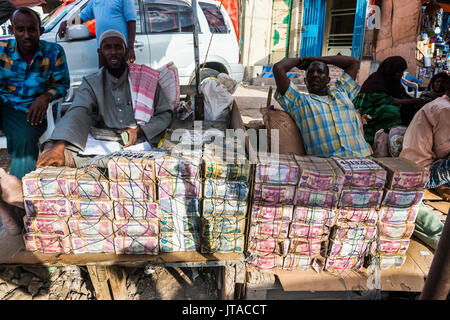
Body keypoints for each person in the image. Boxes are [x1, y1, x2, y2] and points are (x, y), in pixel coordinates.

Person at [35, 29, 172, 168]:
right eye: (108, 47)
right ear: (100, 52)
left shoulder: (146, 78)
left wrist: (139, 131)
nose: (113, 52)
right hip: (104, 143)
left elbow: (165, 114)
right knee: (56, 154)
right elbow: (78, 111)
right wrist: (59, 146)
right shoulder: (92, 83)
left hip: (141, 141)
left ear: (126, 50)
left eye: (118, 47)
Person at [0, 7, 70, 179]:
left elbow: (62, 84)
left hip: (32, 110)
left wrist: (45, 97)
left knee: (24, 137)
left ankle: (21, 193)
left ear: (41, 30)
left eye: (32, 29)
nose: (26, 35)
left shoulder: (54, 52)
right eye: (20, 29)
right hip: (4, 104)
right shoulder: (2, 50)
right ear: (11, 30)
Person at [272, 55, 372, 158]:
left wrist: (319, 59)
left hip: (363, 158)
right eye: (311, 72)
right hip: (328, 165)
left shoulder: (343, 92)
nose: (315, 75)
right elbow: (278, 68)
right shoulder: (298, 101)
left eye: (320, 72)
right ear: (306, 81)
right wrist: (301, 60)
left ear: (328, 79)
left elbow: (353, 61)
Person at [353, 56, 428, 145]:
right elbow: (388, 100)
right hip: (368, 113)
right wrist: (414, 101)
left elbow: (402, 96)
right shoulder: (376, 80)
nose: (401, 74)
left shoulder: (393, 81)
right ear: (391, 71)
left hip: (380, 107)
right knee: (392, 112)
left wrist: (418, 102)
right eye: (399, 72)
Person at [400, 77, 450, 201]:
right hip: (422, 172)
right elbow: (441, 151)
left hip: (412, 165)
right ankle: (438, 185)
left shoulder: (440, 104)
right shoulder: (445, 109)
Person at [57, 0, 137, 64]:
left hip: (120, 49)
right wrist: (65, 23)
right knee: (104, 80)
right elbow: (82, 17)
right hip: (104, 50)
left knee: (122, 80)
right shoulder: (94, 1)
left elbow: (131, 21)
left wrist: (130, 48)